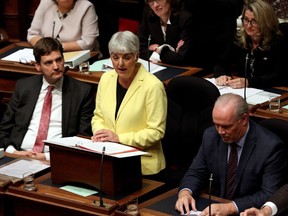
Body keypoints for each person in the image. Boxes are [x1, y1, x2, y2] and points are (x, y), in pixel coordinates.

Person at [175, 93, 286, 215]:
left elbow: (268, 193)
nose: (220, 132)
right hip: (214, 206)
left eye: (226, 126)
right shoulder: (210, 136)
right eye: (216, 125)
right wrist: (185, 192)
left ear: (244, 119)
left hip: (248, 211)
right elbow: (196, 172)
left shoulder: (270, 147)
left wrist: (231, 207)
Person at [0, 37, 95, 160]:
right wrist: (12, 152)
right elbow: (4, 129)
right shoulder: (24, 87)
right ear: (38, 66)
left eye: (59, 60)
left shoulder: (81, 92)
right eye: (48, 63)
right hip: (18, 154)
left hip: (55, 159)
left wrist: (47, 156)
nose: (56, 66)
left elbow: (83, 138)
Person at [91, 31, 167, 176]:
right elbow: (98, 116)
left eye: (126, 57)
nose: (120, 63)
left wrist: (119, 138)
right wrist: (100, 133)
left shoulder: (153, 86)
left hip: (142, 165)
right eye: (115, 57)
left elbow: (156, 132)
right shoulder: (106, 79)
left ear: (137, 56)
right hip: (109, 160)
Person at [214, 0, 288, 89]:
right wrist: (222, 74)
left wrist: (249, 82)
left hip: (271, 91)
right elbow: (221, 63)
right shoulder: (238, 39)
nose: (248, 26)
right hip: (245, 91)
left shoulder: (278, 42)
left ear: (265, 22)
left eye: (254, 21)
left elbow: (281, 76)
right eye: (246, 20)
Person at [138, 0, 199, 67]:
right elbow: (139, 49)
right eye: (151, 1)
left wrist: (159, 50)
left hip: (188, 69)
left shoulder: (185, 18)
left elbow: (180, 58)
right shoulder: (148, 13)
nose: (155, 5)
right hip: (159, 67)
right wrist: (169, 53)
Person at [27, 0, 100, 52]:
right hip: (46, 55)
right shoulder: (45, 3)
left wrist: (55, 47)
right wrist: (45, 47)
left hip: (80, 59)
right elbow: (32, 34)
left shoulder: (86, 7)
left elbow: (88, 43)